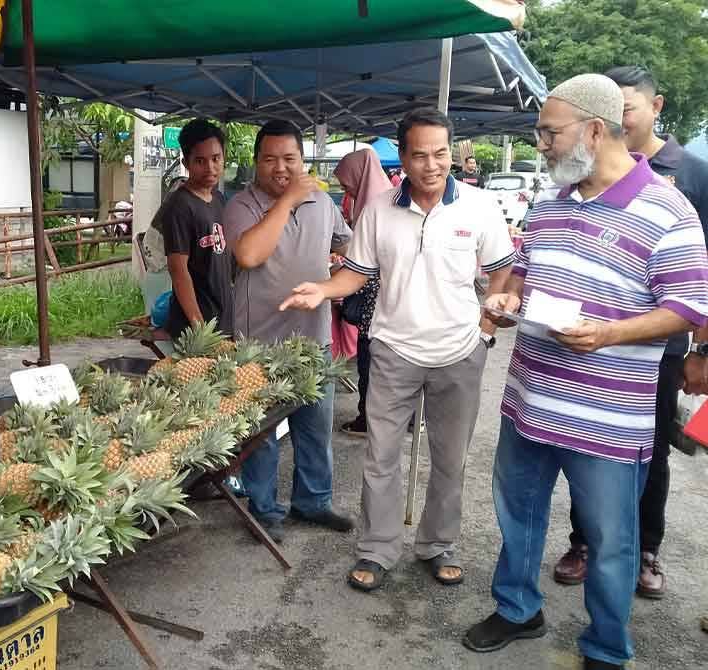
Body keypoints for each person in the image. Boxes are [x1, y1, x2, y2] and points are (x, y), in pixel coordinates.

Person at [464, 74, 708, 670]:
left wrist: (609, 333)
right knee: (516, 513)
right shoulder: (549, 201)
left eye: (550, 133)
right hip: (530, 398)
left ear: (595, 131)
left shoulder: (668, 209)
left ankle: (605, 645)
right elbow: (523, 269)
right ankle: (519, 609)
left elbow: (688, 305)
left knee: (610, 540)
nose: (541, 144)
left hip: (608, 415)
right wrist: (507, 300)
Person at [279, 108, 513, 591]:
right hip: (392, 350)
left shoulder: (480, 207)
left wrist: (486, 326)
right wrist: (322, 290)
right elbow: (357, 273)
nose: (432, 165)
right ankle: (377, 549)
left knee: (450, 458)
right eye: (421, 155)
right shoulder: (378, 210)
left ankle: (437, 544)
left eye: (442, 153)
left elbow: (502, 268)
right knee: (381, 457)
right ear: (402, 157)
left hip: (460, 350)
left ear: (454, 153)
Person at [550, 66, 708, 598]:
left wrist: (701, 350)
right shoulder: (571, 183)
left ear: (653, 106)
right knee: (579, 448)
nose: (620, 114)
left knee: (647, 451)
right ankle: (583, 542)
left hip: (654, 355)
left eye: (628, 105)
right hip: (568, 356)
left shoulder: (688, 176)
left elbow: (696, 285)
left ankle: (645, 550)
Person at [223, 120, 355, 543]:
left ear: (302, 160)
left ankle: (313, 502)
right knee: (261, 433)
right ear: (255, 162)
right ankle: (265, 511)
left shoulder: (323, 203)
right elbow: (248, 254)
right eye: (269, 159)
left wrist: (338, 268)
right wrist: (290, 199)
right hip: (258, 344)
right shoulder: (241, 205)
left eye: (289, 159)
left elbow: (346, 244)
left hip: (312, 337)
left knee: (315, 428)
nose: (280, 168)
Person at [150, 118, 233, 337]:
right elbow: (178, 270)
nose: (210, 168)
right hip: (195, 328)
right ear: (186, 163)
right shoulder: (179, 206)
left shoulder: (219, 199)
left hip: (222, 318)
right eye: (200, 161)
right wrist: (199, 328)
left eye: (216, 159)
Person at [332, 149, 393, 436]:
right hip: (387, 305)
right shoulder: (382, 199)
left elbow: (368, 262)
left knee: (371, 364)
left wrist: (337, 278)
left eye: (347, 184)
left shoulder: (376, 207)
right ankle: (405, 418)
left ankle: (366, 419)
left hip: (377, 303)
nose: (347, 190)